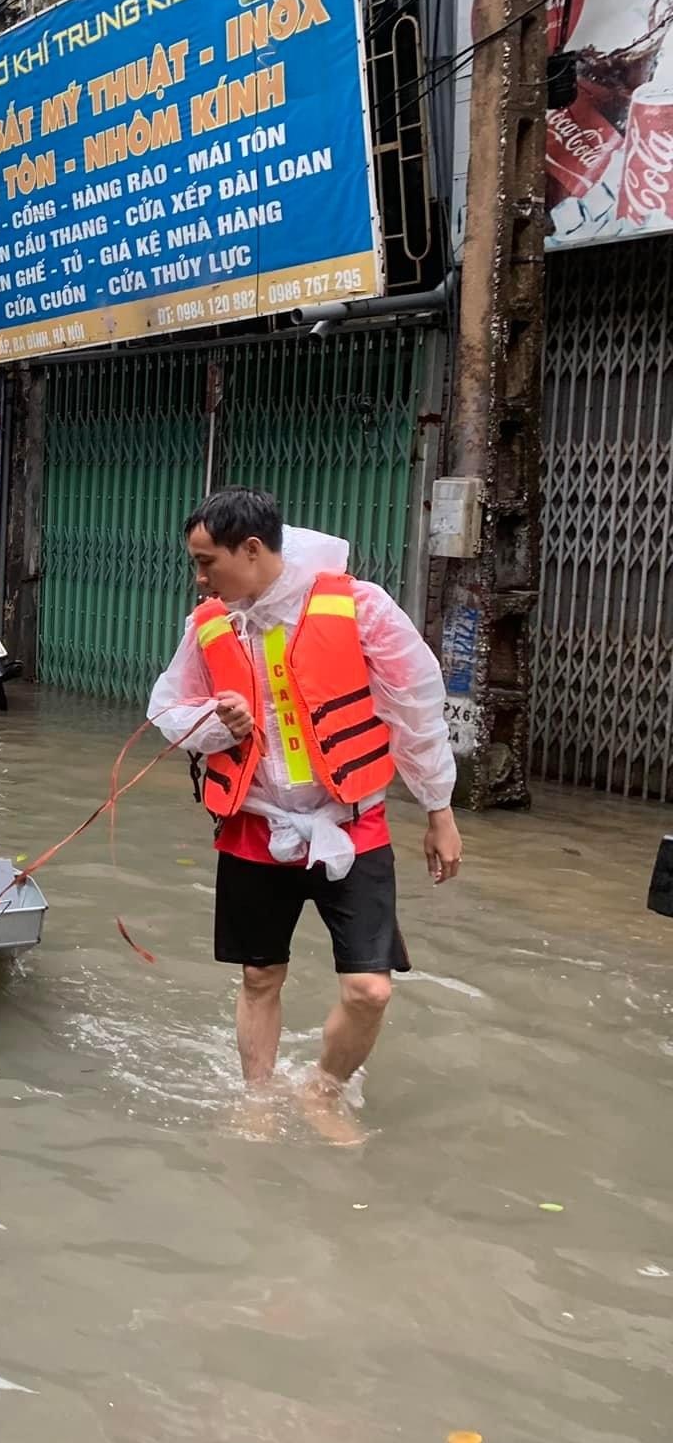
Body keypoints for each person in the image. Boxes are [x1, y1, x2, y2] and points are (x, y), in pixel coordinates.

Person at [147, 486, 463, 1140]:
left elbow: (416, 709)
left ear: (253, 549)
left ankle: (323, 1088)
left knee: (369, 990)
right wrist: (216, 720)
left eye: (208, 562)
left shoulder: (361, 608)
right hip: (255, 824)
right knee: (260, 974)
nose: (200, 578)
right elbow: (169, 713)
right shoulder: (211, 624)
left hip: (352, 822)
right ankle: (259, 1097)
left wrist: (440, 809)